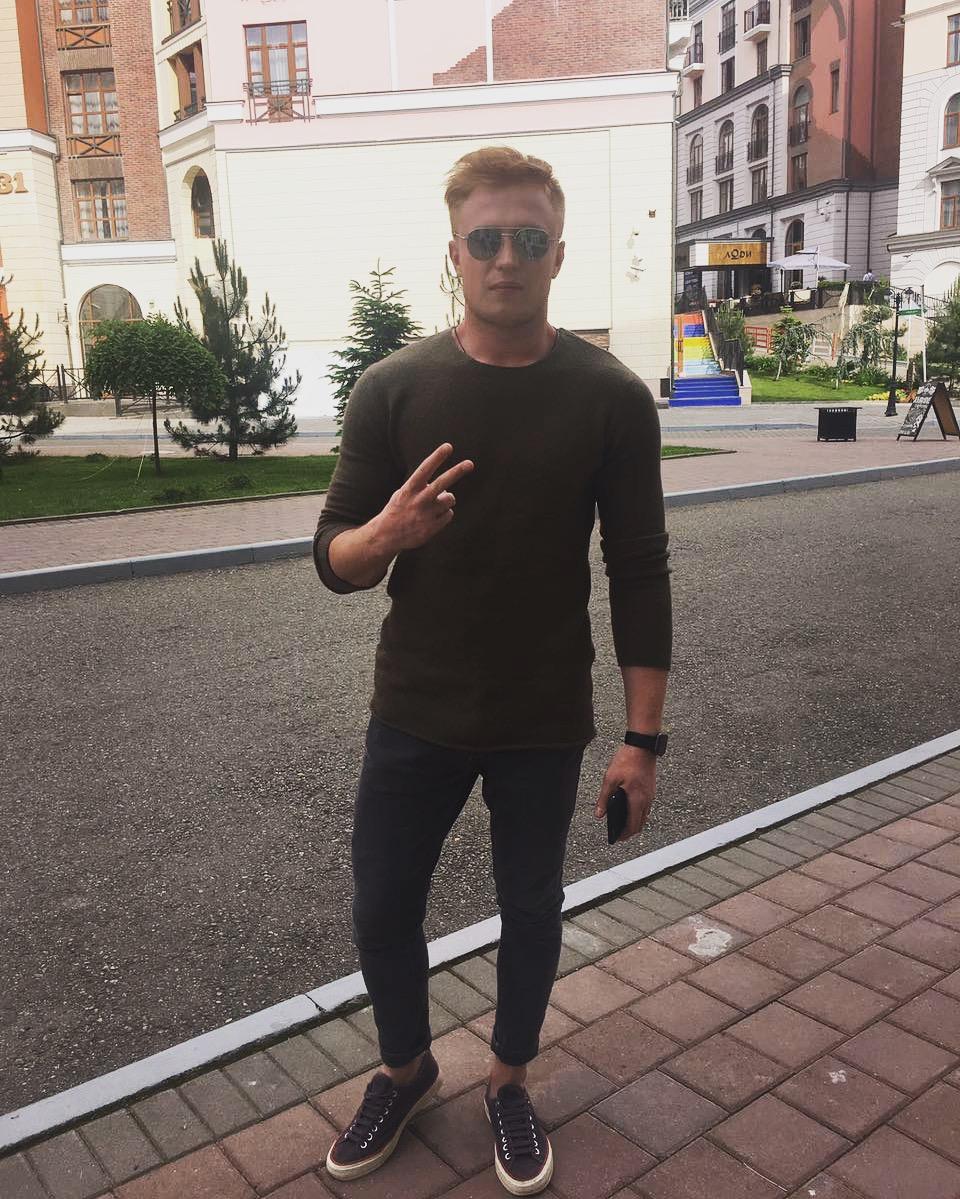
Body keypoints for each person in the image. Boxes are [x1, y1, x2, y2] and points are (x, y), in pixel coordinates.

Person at [313, 145, 672, 1196]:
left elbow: (640, 571)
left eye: (527, 238)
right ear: (454, 253)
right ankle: (406, 1066)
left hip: (541, 712)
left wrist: (642, 740)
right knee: (383, 903)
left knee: (531, 907)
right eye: (485, 239)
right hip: (414, 705)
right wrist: (384, 535)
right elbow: (333, 558)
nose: (505, 257)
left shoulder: (611, 397)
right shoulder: (393, 388)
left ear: (558, 254)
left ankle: (509, 1078)